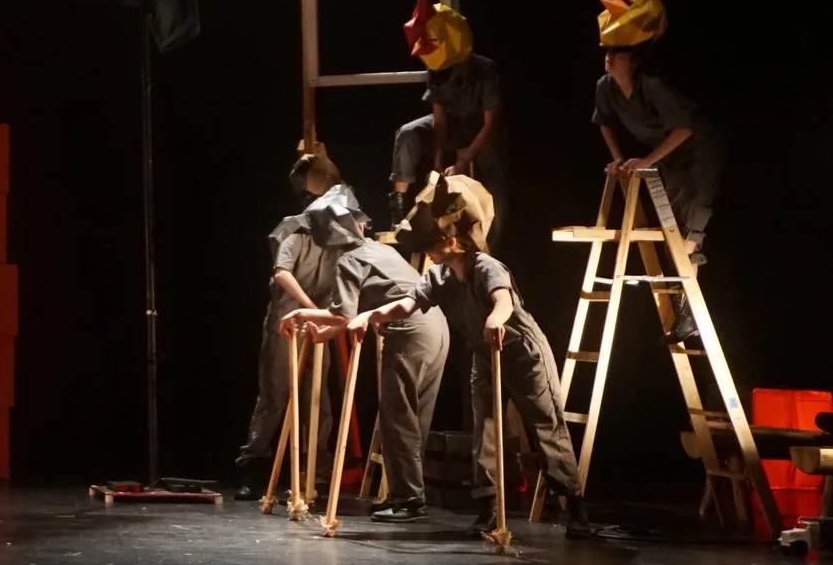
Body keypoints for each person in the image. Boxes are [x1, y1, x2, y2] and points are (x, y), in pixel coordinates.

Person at [354, 172, 598, 539]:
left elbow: (503, 300)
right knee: (484, 432)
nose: (428, 252)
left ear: (450, 241)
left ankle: (575, 507)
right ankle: (488, 509)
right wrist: (371, 315)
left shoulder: (486, 267)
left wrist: (496, 319)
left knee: (545, 427)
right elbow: (408, 303)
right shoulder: (439, 276)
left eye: (432, 245)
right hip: (484, 356)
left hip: (522, 354)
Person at [282, 183, 447, 523]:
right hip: (435, 326)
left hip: (409, 331)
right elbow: (349, 316)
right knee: (414, 416)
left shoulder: (349, 260)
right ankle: (405, 494)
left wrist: (300, 313)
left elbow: (342, 314)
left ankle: (409, 499)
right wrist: (325, 332)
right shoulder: (378, 249)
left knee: (398, 416)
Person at [593, 0, 725, 323]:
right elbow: (604, 122)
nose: (609, 58)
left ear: (633, 59)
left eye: (617, 53)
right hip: (670, 156)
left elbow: (684, 129)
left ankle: (688, 313)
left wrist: (645, 161)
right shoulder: (605, 87)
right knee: (674, 230)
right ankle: (686, 312)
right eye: (607, 51)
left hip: (699, 152)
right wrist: (619, 160)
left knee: (689, 231)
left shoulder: (652, 86)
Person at [234, 146, 345, 499]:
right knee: (275, 393)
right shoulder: (293, 229)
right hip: (288, 320)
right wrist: (312, 308)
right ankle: (254, 467)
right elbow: (282, 273)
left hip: (318, 323)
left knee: (318, 398)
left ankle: (316, 471)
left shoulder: (339, 234)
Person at [389, 0, 504, 226]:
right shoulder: (436, 68)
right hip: (453, 128)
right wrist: (438, 161)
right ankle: (398, 208)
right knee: (408, 132)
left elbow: (491, 123)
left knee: (490, 166)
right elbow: (439, 121)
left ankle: (491, 232)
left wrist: (463, 161)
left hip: (481, 133)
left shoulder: (485, 69)